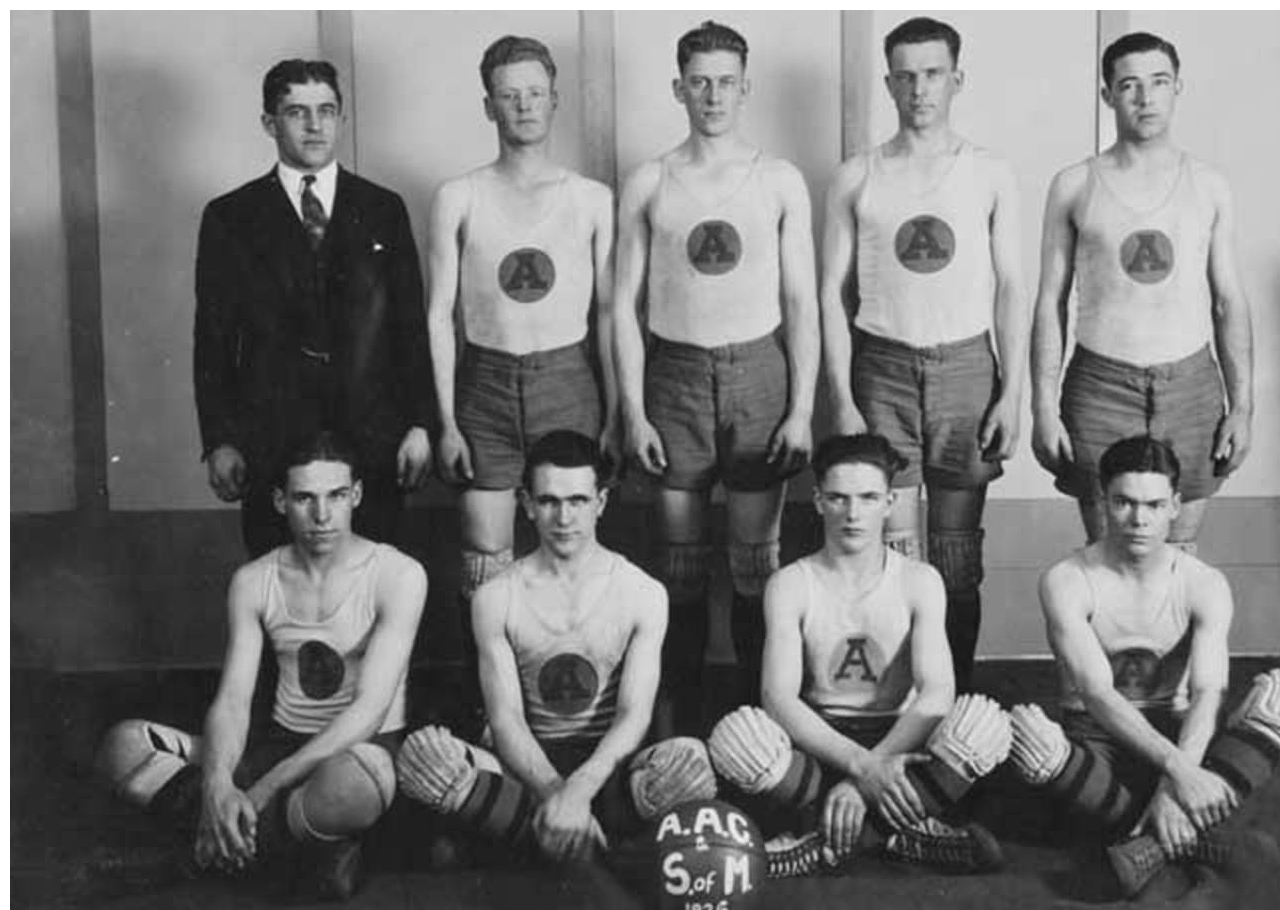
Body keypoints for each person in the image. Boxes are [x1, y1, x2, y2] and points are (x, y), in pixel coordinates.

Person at [94, 430, 428, 900]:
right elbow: (233, 700)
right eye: (304, 498)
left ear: (356, 495)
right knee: (122, 746)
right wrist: (217, 786)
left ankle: (203, 853)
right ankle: (290, 848)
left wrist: (262, 789)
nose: (322, 515)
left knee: (364, 780)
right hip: (276, 744)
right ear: (279, 501)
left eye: (336, 496)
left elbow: (369, 711)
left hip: (353, 753)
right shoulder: (253, 580)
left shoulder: (399, 574)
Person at [612, 20, 820, 735]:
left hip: (758, 371)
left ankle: (762, 721)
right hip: (673, 375)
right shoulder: (650, 180)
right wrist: (633, 412)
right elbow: (622, 306)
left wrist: (800, 409)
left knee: (757, 560)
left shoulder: (778, 179)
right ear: (678, 88)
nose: (712, 95)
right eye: (698, 82)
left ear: (745, 87)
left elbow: (801, 302)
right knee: (680, 563)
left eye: (726, 82)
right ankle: (682, 724)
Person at [1008, 436, 1280, 897]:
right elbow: (1097, 694)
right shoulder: (1066, 580)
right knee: (1028, 738)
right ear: (1103, 501)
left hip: (1179, 732)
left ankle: (1148, 839)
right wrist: (1183, 774)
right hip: (1100, 740)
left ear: (1174, 505)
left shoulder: (1204, 583)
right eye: (1124, 503)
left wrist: (1176, 776)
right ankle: (1194, 832)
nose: (1139, 520)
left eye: (1153, 505)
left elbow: (1208, 693)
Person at [395, 431, 716, 864]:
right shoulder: (495, 597)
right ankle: (587, 841)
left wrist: (578, 792)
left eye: (578, 501)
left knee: (692, 764)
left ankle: (524, 837)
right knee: (423, 758)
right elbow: (506, 720)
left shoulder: (643, 593)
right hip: (528, 766)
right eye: (549, 501)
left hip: (608, 769)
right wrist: (555, 794)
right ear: (527, 504)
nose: (564, 517)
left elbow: (633, 715)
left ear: (601, 502)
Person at [821, 17, 1027, 691]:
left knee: (956, 558)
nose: (919, 88)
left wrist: (1012, 393)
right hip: (881, 366)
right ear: (888, 84)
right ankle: (894, 703)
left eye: (933, 73)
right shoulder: (857, 176)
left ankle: (952, 700)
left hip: (966, 368)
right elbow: (830, 293)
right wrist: (842, 397)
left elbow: (1012, 289)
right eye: (906, 76)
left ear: (956, 79)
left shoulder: (989, 173)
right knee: (892, 556)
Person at [706, 434, 1013, 877]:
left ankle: (826, 838)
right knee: (734, 738)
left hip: (900, 741)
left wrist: (869, 772)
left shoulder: (920, 580)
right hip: (822, 746)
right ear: (818, 501)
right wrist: (861, 766)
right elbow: (778, 698)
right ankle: (902, 832)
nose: (853, 514)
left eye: (868, 498)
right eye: (838, 498)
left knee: (987, 722)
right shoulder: (790, 584)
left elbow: (936, 693)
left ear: (889, 502)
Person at [194, 59, 434, 557]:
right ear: (269, 123)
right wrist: (219, 439)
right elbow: (212, 340)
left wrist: (420, 424)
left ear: (341, 119)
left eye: (326, 111)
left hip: (372, 434)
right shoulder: (230, 216)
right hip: (271, 435)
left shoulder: (382, 208)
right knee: (278, 575)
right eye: (296, 112)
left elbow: (410, 327)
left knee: (372, 572)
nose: (314, 125)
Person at [1030, 32, 1252, 552]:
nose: (1145, 98)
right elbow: (1049, 302)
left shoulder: (1209, 185)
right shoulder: (1074, 184)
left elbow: (1229, 302)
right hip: (1100, 383)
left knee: (1179, 553)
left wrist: (1243, 406)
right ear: (1107, 94)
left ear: (1178, 88)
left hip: (1191, 384)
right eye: (1129, 85)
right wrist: (1042, 406)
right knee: (1109, 553)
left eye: (1159, 82)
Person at [425, 36, 618, 617]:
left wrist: (616, 413)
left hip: (568, 381)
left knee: (570, 548)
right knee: (485, 563)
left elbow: (609, 314)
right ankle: (490, 681)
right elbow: (439, 315)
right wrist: (447, 422)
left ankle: (570, 674)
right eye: (509, 95)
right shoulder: (458, 196)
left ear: (555, 100)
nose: (524, 105)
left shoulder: (591, 198)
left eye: (535, 93)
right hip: (484, 383)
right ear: (489, 106)